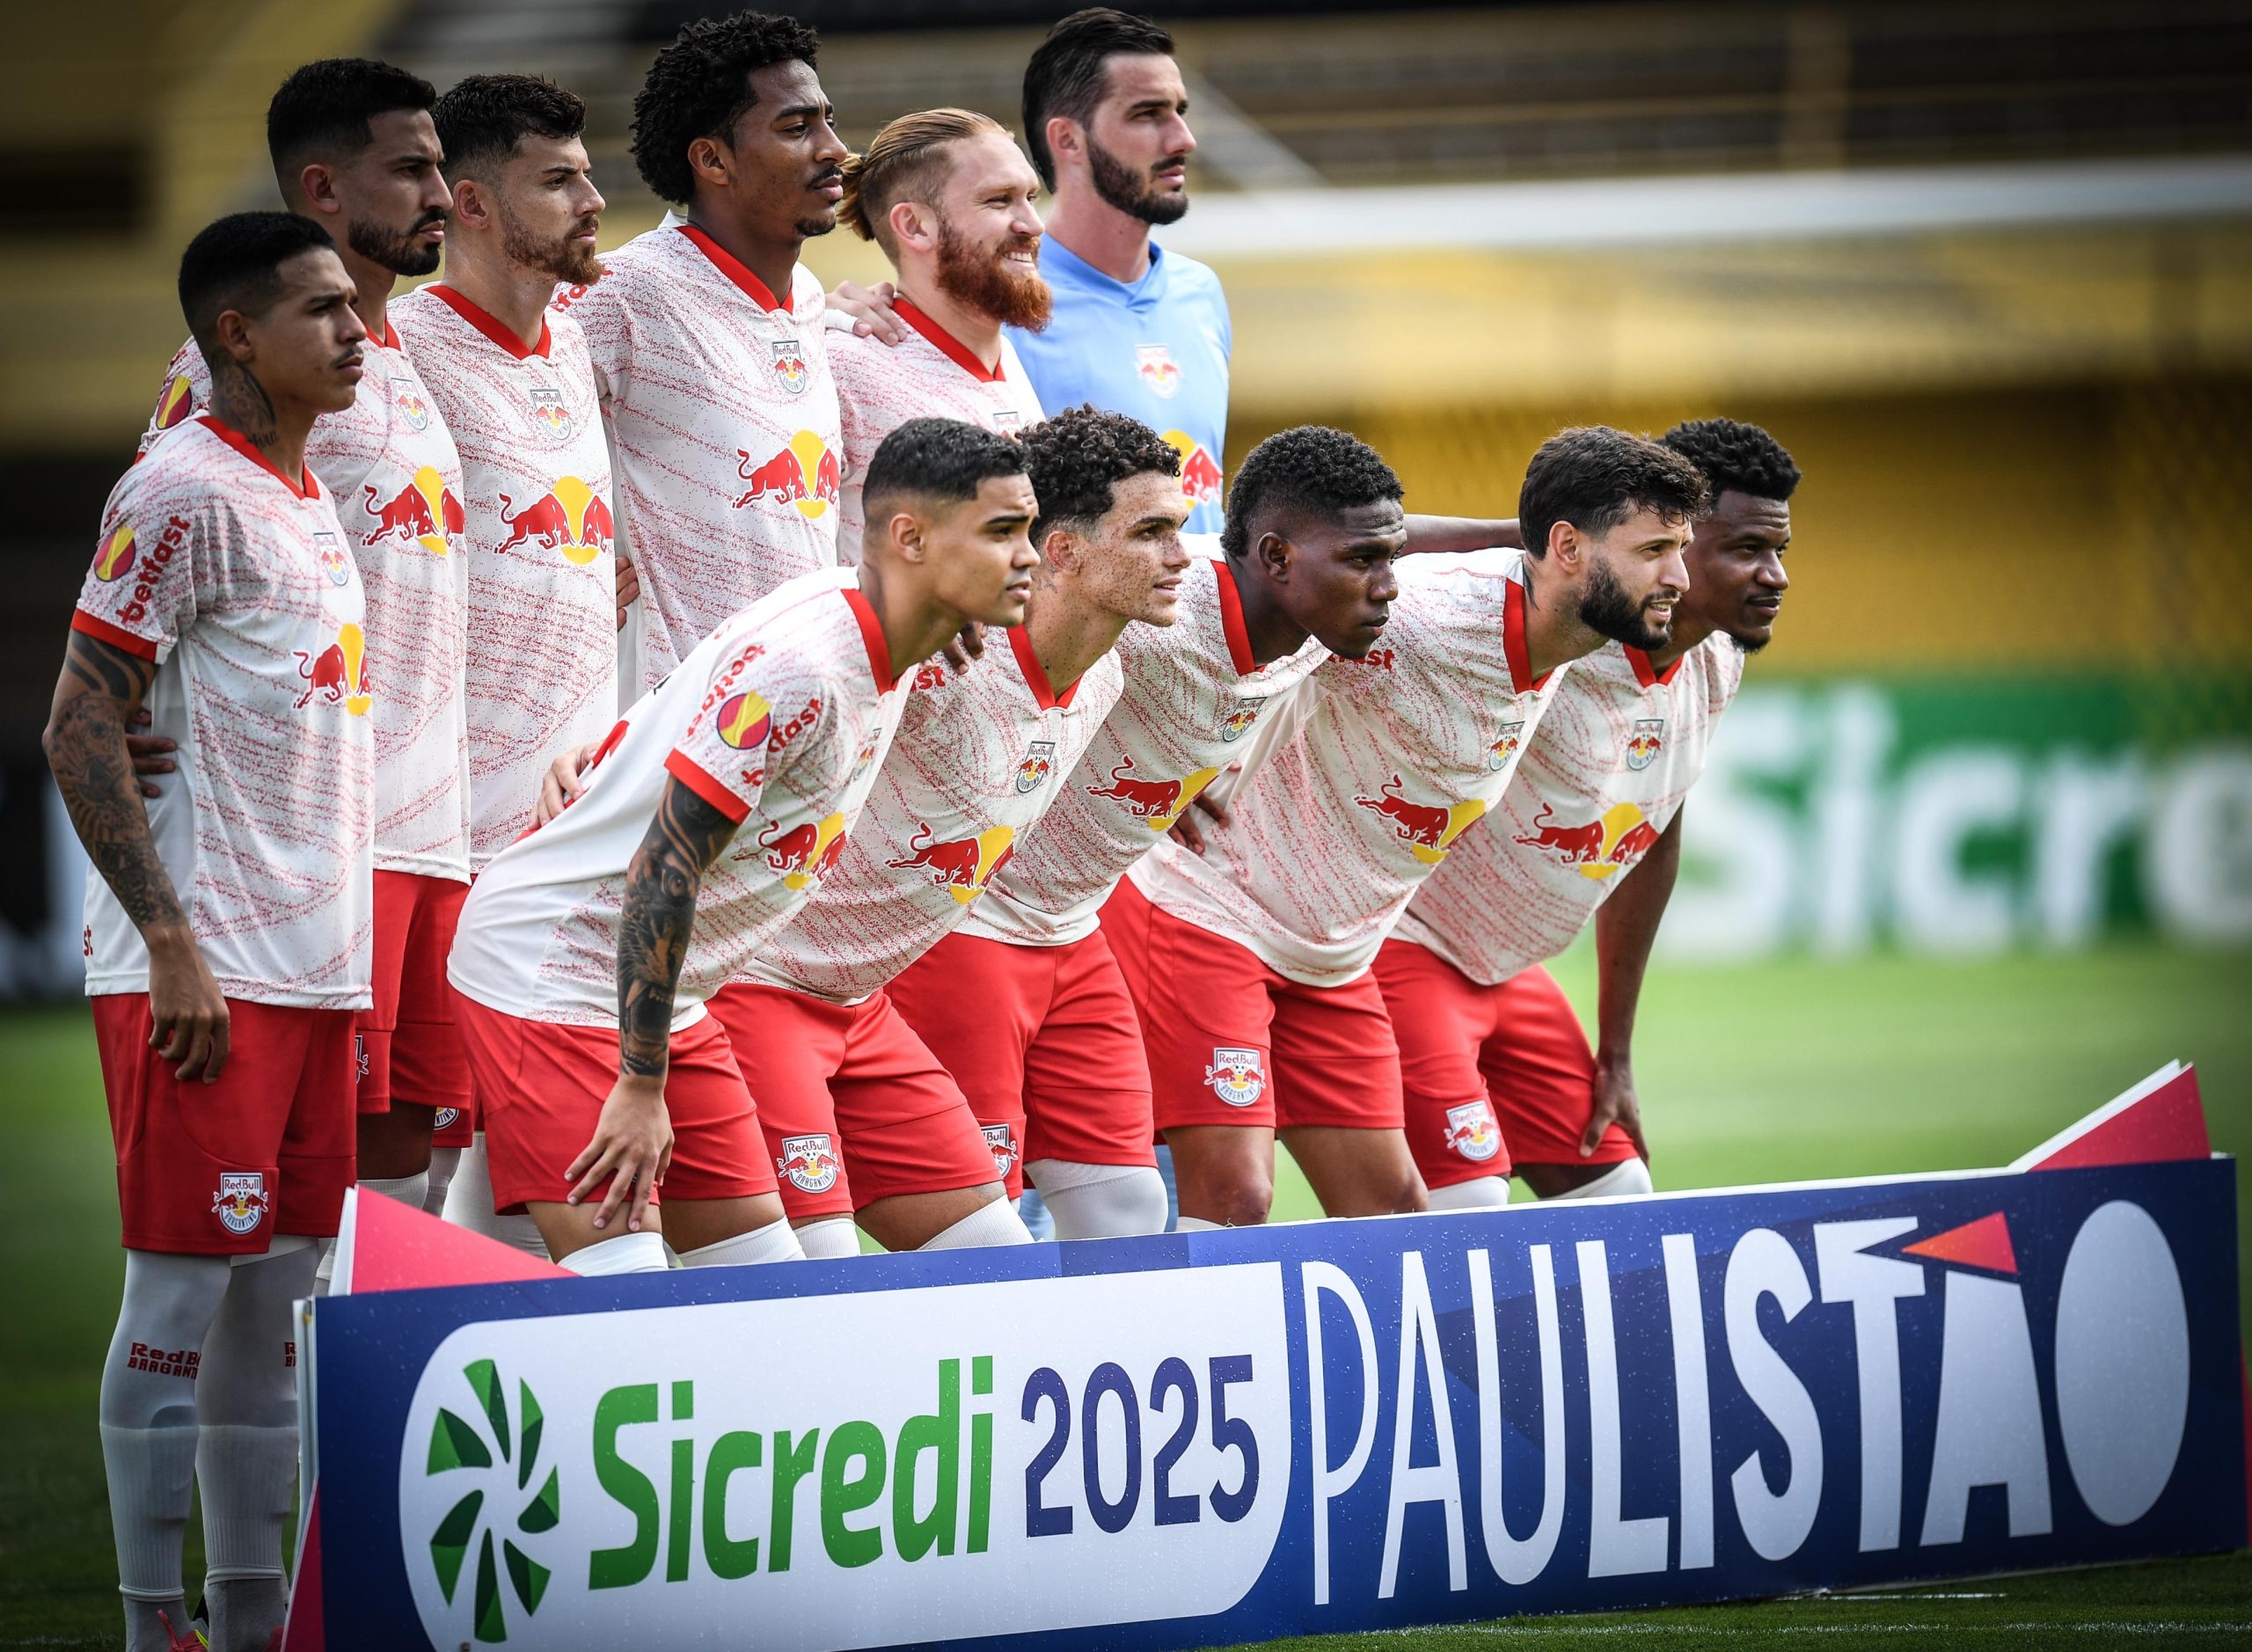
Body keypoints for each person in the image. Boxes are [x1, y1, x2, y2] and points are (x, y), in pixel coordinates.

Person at [447, 420, 1041, 1275]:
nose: (1026, 556)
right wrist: (642, 1088)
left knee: (766, 1293)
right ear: (910, 539)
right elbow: (666, 864)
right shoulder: (806, 666)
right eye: (1001, 532)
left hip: (663, 990)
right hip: (556, 970)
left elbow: (684, 708)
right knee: (631, 1306)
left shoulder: (897, 617)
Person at [1119, 425, 1707, 1229]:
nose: (1680, 575)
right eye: (1656, 550)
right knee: (1235, 1202)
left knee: (1396, 1214)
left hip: (1336, 955)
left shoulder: (1580, 634)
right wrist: (1182, 739)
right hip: (1207, 915)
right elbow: (1267, 577)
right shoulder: (1419, 619)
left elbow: (1381, 543)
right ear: (1568, 549)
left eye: (1682, 547)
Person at [51, 212, 370, 1652]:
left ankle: (242, 1625)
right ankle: (142, 1624)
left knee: (276, 1324)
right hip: (208, 975)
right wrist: (168, 939)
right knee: (180, 1295)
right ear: (238, 335)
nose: (358, 329)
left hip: (319, 971)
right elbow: (76, 720)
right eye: (324, 310)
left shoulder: (305, 492)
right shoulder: (178, 487)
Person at [135, 58, 471, 1246]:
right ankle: (277, 1431)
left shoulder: (412, 351)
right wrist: (123, 698)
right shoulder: (225, 378)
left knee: (413, 1170)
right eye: (415, 168)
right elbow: (156, 551)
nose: (446, 191)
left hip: (440, 832)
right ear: (324, 187)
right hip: (333, 841)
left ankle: (339, 1425)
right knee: (307, 1211)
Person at [742, 407, 1181, 1253]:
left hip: (860, 1006)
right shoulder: (938, 658)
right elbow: (765, 683)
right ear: (1065, 551)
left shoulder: (1104, 678)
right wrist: (609, 749)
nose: (1180, 558)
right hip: (755, 982)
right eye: (1152, 532)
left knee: (1004, 1262)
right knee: (817, 1274)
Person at [1381, 418, 1799, 1205]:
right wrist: (1553, 531)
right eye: (1746, 549)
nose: (1774, 575)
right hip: (1408, 943)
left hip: (1508, 967)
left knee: (1620, 1193)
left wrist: (1617, 1050)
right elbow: (1355, 540)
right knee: (1468, 1203)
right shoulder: (1568, 629)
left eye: (1779, 551)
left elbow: (1655, 827)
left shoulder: (1714, 661)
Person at [391, 73, 617, 1257]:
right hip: (445, 836)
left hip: (568, 835)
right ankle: (331, 1428)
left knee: (525, 1180)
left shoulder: (581, 338)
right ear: (472, 204)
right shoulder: (396, 356)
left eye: (588, 171)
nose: (592, 197)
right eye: (559, 179)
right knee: (421, 1189)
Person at [831, 9, 1227, 532]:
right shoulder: (994, 309)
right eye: (1147, 113)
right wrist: (821, 322)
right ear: (1066, 139)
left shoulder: (1199, 292)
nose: (1183, 139)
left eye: (1180, 110)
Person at [559, 9, 849, 694]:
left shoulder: (807, 297)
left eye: (827, 120)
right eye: (796, 127)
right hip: (675, 724)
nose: (835, 147)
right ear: (712, 159)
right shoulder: (622, 295)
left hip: (796, 703)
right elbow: (499, 419)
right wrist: (555, 571)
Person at [830, 107, 1049, 562]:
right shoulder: (841, 364)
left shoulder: (1006, 356)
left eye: (1031, 196)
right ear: (914, 225)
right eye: (999, 200)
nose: (1033, 224)